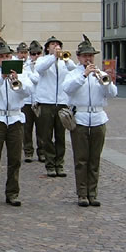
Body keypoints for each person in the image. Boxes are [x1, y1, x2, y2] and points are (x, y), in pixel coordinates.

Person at [63, 36, 117, 207]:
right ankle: (82, 194)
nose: (88, 59)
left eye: (91, 56)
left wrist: (105, 83)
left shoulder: (100, 74)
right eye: (85, 56)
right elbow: (68, 89)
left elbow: (113, 94)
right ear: (78, 57)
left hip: (98, 119)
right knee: (81, 159)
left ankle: (92, 193)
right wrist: (84, 76)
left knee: (95, 159)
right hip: (80, 118)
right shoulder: (73, 74)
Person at [0, 41, 33, 207]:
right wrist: (1, 78)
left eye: (7, 56)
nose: (5, 59)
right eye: (2, 57)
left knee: (15, 159)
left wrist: (18, 81)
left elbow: (30, 91)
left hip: (15, 118)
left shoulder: (21, 71)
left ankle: (12, 192)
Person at [34, 36, 76, 178]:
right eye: (53, 44)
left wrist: (65, 58)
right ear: (47, 48)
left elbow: (74, 69)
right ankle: (50, 164)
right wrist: (53, 57)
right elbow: (40, 69)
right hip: (46, 103)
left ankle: (60, 164)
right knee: (46, 136)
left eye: (58, 44)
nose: (56, 46)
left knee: (60, 136)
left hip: (62, 102)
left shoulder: (65, 62)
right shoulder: (42, 60)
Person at [20, 40, 43, 163]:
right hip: (27, 101)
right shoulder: (25, 66)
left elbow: (37, 79)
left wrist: (29, 74)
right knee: (27, 129)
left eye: (38, 53)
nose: (35, 56)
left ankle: (42, 152)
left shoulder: (44, 65)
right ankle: (28, 152)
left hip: (39, 100)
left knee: (41, 129)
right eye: (33, 54)